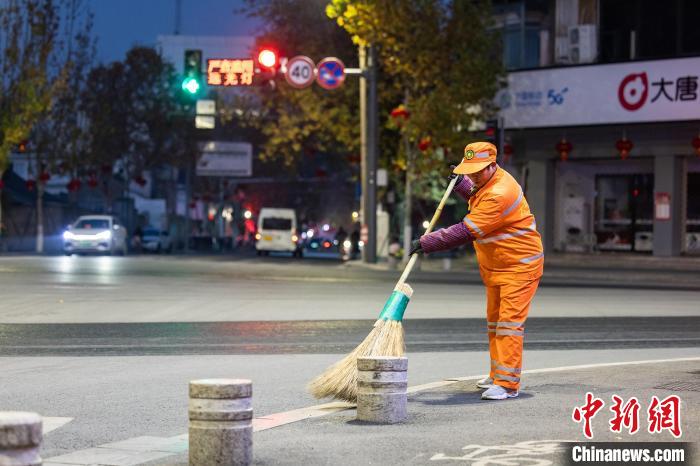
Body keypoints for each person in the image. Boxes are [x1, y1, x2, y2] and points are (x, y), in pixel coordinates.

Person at [409, 141, 543, 401]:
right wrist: (461, 186)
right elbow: (476, 198)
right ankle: (497, 374)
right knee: (494, 324)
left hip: (520, 266)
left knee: (508, 326)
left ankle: (507, 384)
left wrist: (427, 242)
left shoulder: (501, 192)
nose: (472, 175)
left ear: (493, 165)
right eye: (469, 170)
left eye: (477, 171)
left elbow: (465, 231)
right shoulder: (490, 183)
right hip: (498, 266)